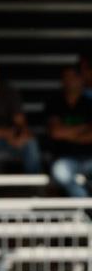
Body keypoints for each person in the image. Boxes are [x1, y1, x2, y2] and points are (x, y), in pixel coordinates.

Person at [47, 65, 92, 197]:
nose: (69, 81)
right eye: (66, 78)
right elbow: (55, 133)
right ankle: (85, 204)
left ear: (80, 79)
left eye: (73, 77)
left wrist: (67, 134)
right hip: (65, 159)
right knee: (60, 171)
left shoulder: (89, 104)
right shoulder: (55, 103)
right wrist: (83, 128)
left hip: (89, 158)